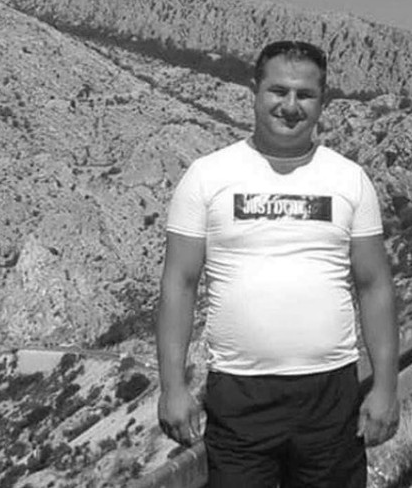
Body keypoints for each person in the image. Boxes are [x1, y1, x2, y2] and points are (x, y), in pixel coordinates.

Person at [156, 40, 399, 487]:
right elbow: (179, 283)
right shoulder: (207, 177)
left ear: (322, 101)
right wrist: (172, 387)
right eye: (278, 91)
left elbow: (374, 286)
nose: (290, 105)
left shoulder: (350, 180)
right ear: (255, 91)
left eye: (305, 94)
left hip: (331, 395)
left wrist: (385, 386)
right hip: (239, 395)